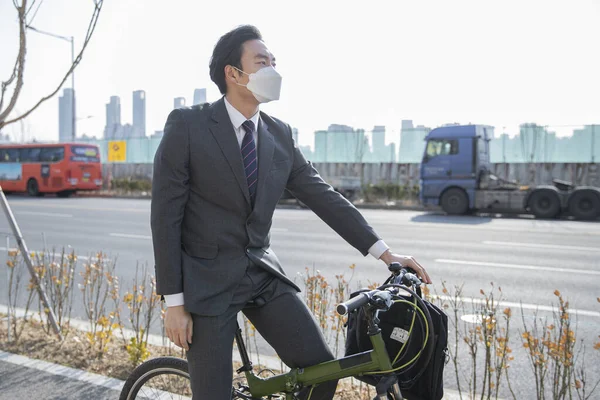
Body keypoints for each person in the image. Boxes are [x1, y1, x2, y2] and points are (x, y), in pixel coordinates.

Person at [150, 24, 432, 400]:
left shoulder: (278, 133)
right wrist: (174, 302)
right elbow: (165, 217)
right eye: (261, 62)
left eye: (274, 62)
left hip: (262, 275)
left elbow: (321, 195)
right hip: (206, 284)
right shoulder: (189, 125)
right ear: (233, 73)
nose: (273, 70)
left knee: (321, 371)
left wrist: (383, 251)